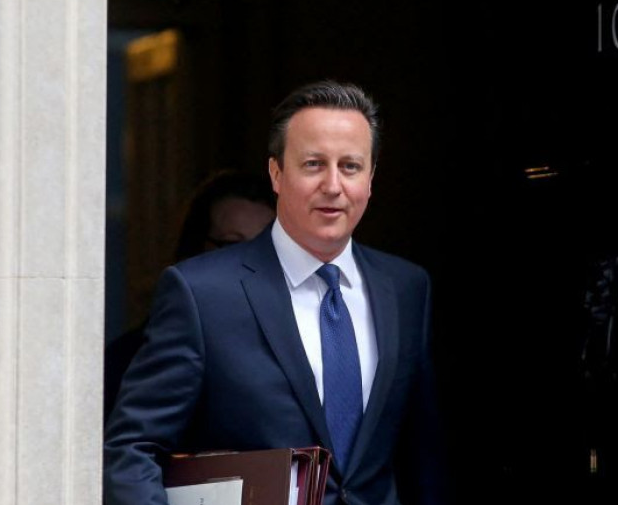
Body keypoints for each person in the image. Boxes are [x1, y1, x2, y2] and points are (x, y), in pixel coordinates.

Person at [103, 80, 447, 505]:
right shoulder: (202, 293)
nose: (333, 185)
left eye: (350, 166)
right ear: (277, 174)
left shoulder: (406, 288)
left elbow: (423, 460)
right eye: (313, 164)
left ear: (371, 177)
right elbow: (132, 448)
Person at [103, 168, 276, 422]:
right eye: (233, 245)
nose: (251, 263)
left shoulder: (302, 347)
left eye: (265, 247)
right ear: (196, 249)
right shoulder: (136, 356)